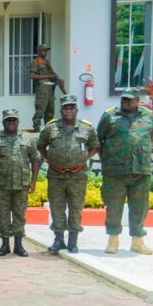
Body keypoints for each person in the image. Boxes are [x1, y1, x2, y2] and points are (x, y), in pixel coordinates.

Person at [37, 95, 100, 255]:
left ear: (77, 110)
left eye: (72, 107)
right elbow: (41, 145)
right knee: (56, 208)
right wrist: (50, 158)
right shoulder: (51, 128)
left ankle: (73, 241)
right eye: (66, 107)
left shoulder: (87, 128)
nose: (69, 110)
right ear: (61, 110)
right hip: (56, 176)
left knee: (76, 208)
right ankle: (59, 240)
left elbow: (94, 145)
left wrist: (85, 158)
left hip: (78, 175)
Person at [97, 88, 153, 255]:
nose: (126, 102)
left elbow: (151, 138)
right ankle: (113, 241)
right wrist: (107, 160)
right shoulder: (109, 116)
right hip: (115, 171)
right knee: (114, 206)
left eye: (130, 100)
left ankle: (137, 242)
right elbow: (98, 140)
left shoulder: (148, 116)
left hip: (140, 171)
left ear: (138, 101)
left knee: (140, 207)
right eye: (123, 99)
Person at [0, 109, 42, 257]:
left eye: (14, 120)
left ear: (18, 122)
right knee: (3, 215)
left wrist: (33, 181)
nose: (11, 123)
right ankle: (4, 244)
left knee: (19, 215)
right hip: (1, 184)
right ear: (3, 122)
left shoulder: (28, 138)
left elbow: (35, 160)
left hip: (21, 184)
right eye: (8, 120)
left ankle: (18, 244)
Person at [30, 44, 67, 132]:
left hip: (51, 89)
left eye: (46, 50)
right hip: (43, 88)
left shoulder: (47, 62)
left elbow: (55, 77)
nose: (46, 52)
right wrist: (47, 75)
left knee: (50, 112)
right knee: (40, 110)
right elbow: (32, 76)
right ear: (38, 51)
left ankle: (48, 129)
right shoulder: (36, 61)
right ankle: (36, 127)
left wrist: (66, 93)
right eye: (43, 50)